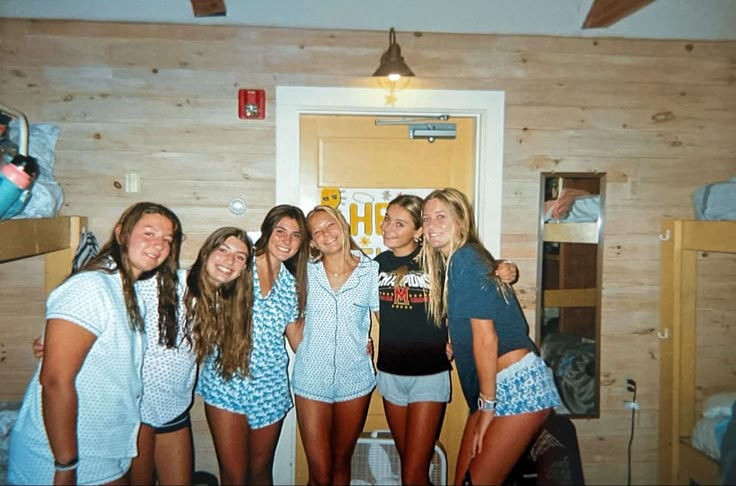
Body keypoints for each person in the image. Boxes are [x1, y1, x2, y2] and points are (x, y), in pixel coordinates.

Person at [8, 202, 183, 486]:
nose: (159, 245)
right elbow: (55, 381)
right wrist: (65, 464)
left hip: (102, 444)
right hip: (62, 453)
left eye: (167, 240)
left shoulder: (129, 292)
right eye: (149, 233)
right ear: (122, 234)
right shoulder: (91, 287)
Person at [375, 194, 518, 485]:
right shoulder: (375, 265)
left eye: (399, 222)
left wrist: (504, 266)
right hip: (390, 372)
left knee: (413, 474)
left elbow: (474, 280)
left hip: (429, 374)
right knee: (410, 470)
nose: (388, 227)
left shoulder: (438, 259)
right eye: (387, 219)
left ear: (418, 232)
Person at [421, 188, 560, 486]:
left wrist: (487, 406)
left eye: (441, 216)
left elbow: (486, 338)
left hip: (515, 384)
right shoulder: (458, 263)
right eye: (427, 218)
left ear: (461, 220)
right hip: (495, 387)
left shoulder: (466, 259)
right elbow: (477, 322)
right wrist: (454, 340)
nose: (432, 225)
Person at [195, 205, 309, 485]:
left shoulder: (291, 284)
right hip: (227, 381)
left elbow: (298, 342)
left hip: (270, 387)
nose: (286, 240)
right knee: (234, 476)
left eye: (295, 235)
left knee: (260, 473)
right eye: (280, 231)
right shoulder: (241, 265)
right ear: (267, 231)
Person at [291, 205, 379, 485]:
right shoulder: (304, 271)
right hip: (310, 380)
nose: (326, 234)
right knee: (319, 471)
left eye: (330, 225)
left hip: (355, 379)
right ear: (312, 241)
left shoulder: (371, 271)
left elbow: (389, 319)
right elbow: (287, 313)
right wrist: (300, 346)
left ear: (343, 225)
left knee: (341, 464)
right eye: (317, 231)